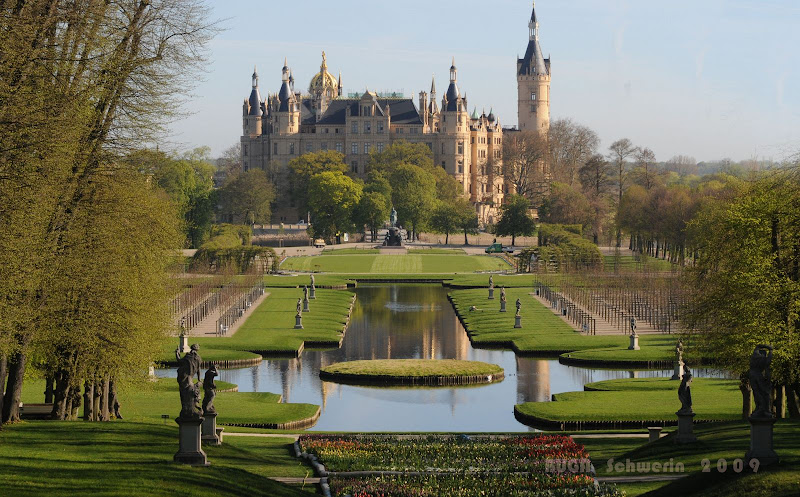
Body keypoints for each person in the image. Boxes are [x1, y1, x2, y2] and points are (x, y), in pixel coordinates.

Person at [176, 344, 202, 418]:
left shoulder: (187, 357)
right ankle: (190, 409)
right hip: (190, 379)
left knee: (184, 395)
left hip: (184, 378)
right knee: (191, 393)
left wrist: (177, 353)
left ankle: (186, 410)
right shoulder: (198, 358)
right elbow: (199, 370)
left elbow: (179, 361)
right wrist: (199, 379)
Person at [749, 344, 774, 418]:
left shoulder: (755, 356)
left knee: (756, 391)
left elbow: (758, 346)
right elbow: (767, 366)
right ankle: (764, 409)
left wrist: (767, 347)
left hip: (752, 375)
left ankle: (760, 407)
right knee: (764, 392)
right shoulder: (765, 360)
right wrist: (771, 351)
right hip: (759, 375)